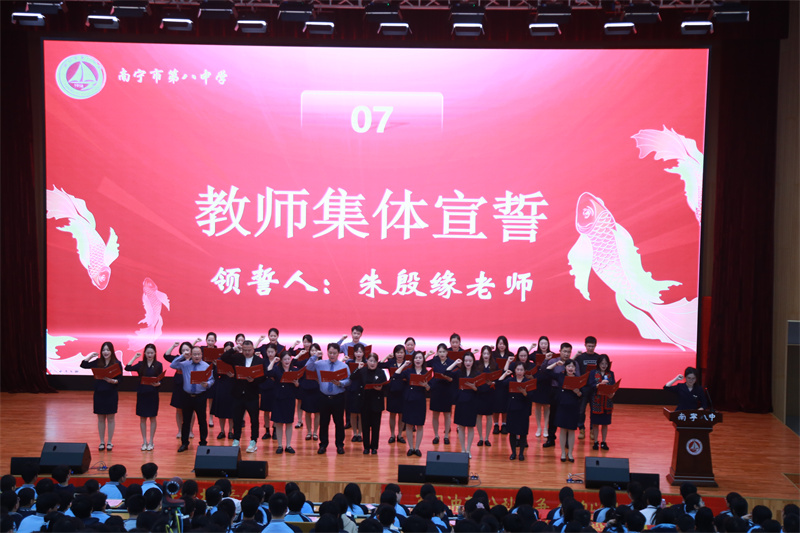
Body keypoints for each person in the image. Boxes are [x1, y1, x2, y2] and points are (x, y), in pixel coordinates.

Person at [305, 343, 351, 455]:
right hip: (324, 397)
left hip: (338, 397)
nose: (332, 355)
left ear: (338, 353)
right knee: (324, 422)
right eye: (330, 353)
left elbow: (349, 380)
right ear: (327, 352)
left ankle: (340, 445)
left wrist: (341, 383)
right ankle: (323, 445)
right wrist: (314, 356)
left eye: (334, 353)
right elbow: (308, 367)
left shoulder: (343, 366)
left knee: (339, 422)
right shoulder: (320, 364)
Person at [220, 339, 265, 453]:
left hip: (252, 395)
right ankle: (236, 440)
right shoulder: (237, 357)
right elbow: (224, 357)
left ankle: (253, 441)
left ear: (253, 349)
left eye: (249, 350)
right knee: (237, 419)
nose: (247, 352)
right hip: (238, 394)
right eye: (245, 350)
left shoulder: (259, 361)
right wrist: (234, 348)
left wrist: (253, 380)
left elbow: (263, 377)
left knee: (254, 420)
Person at [169, 345, 214, 452]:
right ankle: (184, 443)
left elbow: (212, 379)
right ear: (191, 355)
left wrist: (207, 384)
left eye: (198, 354)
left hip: (200, 396)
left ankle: (203, 442)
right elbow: (172, 365)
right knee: (186, 421)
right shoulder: (185, 365)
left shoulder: (206, 366)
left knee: (202, 421)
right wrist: (182, 356)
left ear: (202, 355)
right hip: (187, 396)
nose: (197, 356)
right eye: (194, 354)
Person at [80, 342, 122, 451]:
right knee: (101, 418)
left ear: (111, 351)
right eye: (103, 350)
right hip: (99, 393)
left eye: (108, 350)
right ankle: (102, 442)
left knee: (111, 418)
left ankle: (110, 442)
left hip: (111, 394)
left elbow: (120, 380)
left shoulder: (117, 363)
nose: (105, 352)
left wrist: (113, 381)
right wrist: (90, 356)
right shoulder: (98, 362)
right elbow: (83, 365)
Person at [125, 343, 164, 451]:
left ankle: (151, 441)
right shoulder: (141, 364)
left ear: (155, 353)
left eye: (151, 353)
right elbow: (128, 368)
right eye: (148, 353)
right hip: (142, 394)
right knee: (142, 418)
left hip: (153, 394)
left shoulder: (158, 365)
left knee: (152, 418)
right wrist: (135, 357)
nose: (150, 355)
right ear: (145, 353)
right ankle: (144, 441)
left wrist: (158, 383)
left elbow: (161, 379)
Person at [547, 357, 583, 462]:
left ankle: (570, 453)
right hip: (562, 406)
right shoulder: (560, 376)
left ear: (575, 368)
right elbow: (547, 371)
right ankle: (563, 453)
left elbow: (582, 395)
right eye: (568, 366)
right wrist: (556, 364)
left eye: (572, 366)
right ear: (565, 367)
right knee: (562, 430)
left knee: (571, 431)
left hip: (573, 407)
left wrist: (578, 392)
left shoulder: (579, 379)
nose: (570, 368)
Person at [266, 349, 301, 454]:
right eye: (284, 359)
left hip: (289, 399)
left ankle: (288, 445)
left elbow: (298, 386)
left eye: (288, 359)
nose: (287, 361)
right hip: (278, 399)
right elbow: (268, 372)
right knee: (279, 423)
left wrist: (296, 383)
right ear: (281, 360)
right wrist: (273, 361)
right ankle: (280, 445)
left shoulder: (294, 370)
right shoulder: (277, 369)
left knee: (289, 423)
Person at [353, 352, 388, 454]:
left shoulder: (381, 372)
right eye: (370, 361)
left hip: (376, 402)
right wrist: (357, 368)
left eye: (374, 361)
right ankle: (366, 447)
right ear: (367, 361)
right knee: (365, 426)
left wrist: (381, 388)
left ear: (377, 362)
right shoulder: (362, 371)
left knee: (376, 426)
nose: (372, 363)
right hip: (364, 402)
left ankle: (374, 447)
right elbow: (352, 377)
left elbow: (386, 386)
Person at [397, 351, 431, 456]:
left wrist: (426, 386)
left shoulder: (426, 372)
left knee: (420, 425)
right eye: (416, 358)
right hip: (409, 400)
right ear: (413, 360)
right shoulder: (408, 371)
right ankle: (411, 448)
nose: (418, 360)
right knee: (409, 424)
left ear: (423, 360)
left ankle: (417, 448)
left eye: (420, 358)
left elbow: (429, 389)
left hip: (420, 401)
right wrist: (404, 365)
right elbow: (396, 374)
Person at [500, 362, 533, 460]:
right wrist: (505, 374)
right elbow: (500, 383)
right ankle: (513, 452)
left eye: (521, 370)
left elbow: (532, 396)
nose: (519, 372)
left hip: (523, 409)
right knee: (512, 432)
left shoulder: (528, 382)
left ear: (524, 371)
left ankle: (521, 453)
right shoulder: (511, 380)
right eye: (518, 370)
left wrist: (524, 393)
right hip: (512, 409)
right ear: (515, 370)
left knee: (523, 432)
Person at [542, 342, 573, 449]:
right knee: (553, 416)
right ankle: (551, 438)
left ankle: (567, 440)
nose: (566, 354)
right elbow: (545, 371)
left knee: (567, 416)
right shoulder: (553, 361)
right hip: (555, 391)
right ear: (560, 351)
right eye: (564, 351)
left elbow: (578, 375)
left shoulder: (572, 363)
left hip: (569, 391)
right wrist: (556, 364)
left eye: (568, 352)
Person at [165, 341, 196, 440]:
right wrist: (173, 346)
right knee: (179, 409)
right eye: (183, 350)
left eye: (187, 350)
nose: (185, 352)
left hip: (190, 386)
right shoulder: (178, 359)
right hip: (179, 385)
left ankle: (190, 430)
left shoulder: (194, 359)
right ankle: (180, 430)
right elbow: (166, 356)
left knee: (191, 409)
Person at [428, 341, 457, 445]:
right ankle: (436, 435)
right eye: (440, 352)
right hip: (436, 390)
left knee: (447, 414)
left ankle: (446, 436)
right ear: (437, 353)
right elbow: (423, 363)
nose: (442, 354)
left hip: (447, 390)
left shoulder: (451, 362)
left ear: (447, 352)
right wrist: (428, 355)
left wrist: (448, 378)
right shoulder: (435, 361)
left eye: (444, 352)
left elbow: (454, 378)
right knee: (435, 414)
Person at [292, 335, 321, 441]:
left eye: (316, 350)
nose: (314, 352)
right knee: (307, 412)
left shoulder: (322, 363)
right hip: (306, 389)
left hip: (317, 390)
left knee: (317, 413)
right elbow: (294, 363)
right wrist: (299, 354)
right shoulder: (306, 361)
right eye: (312, 351)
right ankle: (309, 432)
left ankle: (315, 432)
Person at [450, 353, 479, 457]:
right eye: (466, 361)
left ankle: (468, 450)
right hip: (461, 402)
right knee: (461, 427)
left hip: (472, 403)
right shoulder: (459, 372)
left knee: (470, 427)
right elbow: (446, 372)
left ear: (473, 362)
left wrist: (474, 388)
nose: (468, 363)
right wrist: (455, 363)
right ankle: (463, 449)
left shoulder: (477, 373)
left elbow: (481, 389)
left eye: (470, 361)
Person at [381, 344, 408, 445]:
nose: (399, 354)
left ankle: (400, 435)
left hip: (403, 391)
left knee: (401, 414)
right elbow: (379, 365)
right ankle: (392, 435)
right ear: (394, 353)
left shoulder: (407, 363)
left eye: (401, 352)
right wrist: (386, 357)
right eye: (397, 352)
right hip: (392, 390)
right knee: (392, 414)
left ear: (404, 353)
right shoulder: (391, 362)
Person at [573, 336, 599, 440]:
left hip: (594, 387)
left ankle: (592, 429)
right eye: (589, 346)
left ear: (595, 346)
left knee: (594, 410)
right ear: (585, 345)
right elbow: (572, 367)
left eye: (592, 346)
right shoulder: (580, 358)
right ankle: (581, 429)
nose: (590, 348)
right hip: (583, 388)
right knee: (581, 410)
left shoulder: (598, 357)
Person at [588, 354, 615, 451]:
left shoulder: (610, 373)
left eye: (606, 363)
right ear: (598, 363)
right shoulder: (593, 372)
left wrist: (612, 393)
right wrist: (599, 385)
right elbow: (590, 385)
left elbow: (613, 385)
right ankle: (596, 441)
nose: (604, 365)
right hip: (596, 401)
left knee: (605, 423)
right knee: (595, 423)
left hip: (607, 401)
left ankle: (603, 441)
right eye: (602, 363)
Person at [531, 336, 555, 439]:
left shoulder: (552, 354)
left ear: (548, 344)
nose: (543, 345)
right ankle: (539, 428)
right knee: (537, 406)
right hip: (538, 382)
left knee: (546, 406)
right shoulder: (535, 354)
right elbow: (524, 357)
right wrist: (531, 347)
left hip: (548, 382)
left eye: (545, 343)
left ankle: (545, 427)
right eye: (542, 343)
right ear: (539, 344)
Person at [212, 339, 237, 440]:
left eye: (230, 350)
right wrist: (216, 367)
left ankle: (231, 431)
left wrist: (233, 375)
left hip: (233, 386)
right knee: (221, 411)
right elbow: (215, 375)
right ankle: (222, 431)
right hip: (222, 386)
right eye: (226, 350)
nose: (228, 351)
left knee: (231, 411)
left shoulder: (236, 359)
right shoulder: (219, 359)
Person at [475, 346, 498, 447]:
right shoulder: (477, 364)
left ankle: (487, 438)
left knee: (489, 416)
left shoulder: (494, 365)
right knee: (479, 416)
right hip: (479, 393)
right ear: (481, 354)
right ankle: (480, 438)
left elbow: (497, 378)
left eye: (488, 353)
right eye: (484, 353)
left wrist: (493, 382)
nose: (486, 355)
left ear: (490, 355)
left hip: (490, 393)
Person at [345, 344, 368, 442]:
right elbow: (350, 377)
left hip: (363, 391)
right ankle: (355, 433)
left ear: (363, 353)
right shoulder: (349, 363)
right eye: (357, 352)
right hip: (352, 390)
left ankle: (360, 434)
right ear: (353, 353)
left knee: (361, 414)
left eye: (360, 352)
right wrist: (357, 368)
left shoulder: (366, 363)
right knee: (353, 413)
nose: (358, 354)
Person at [491, 336, 512, 435]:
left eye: (503, 344)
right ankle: (495, 424)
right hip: (496, 382)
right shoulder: (493, 354)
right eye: (500, 344)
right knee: (495, 405)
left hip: (506, 382)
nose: (501, 346)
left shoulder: (510, 355)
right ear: (497, 345)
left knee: (505, 404)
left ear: (506, 345)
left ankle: (504, 424)